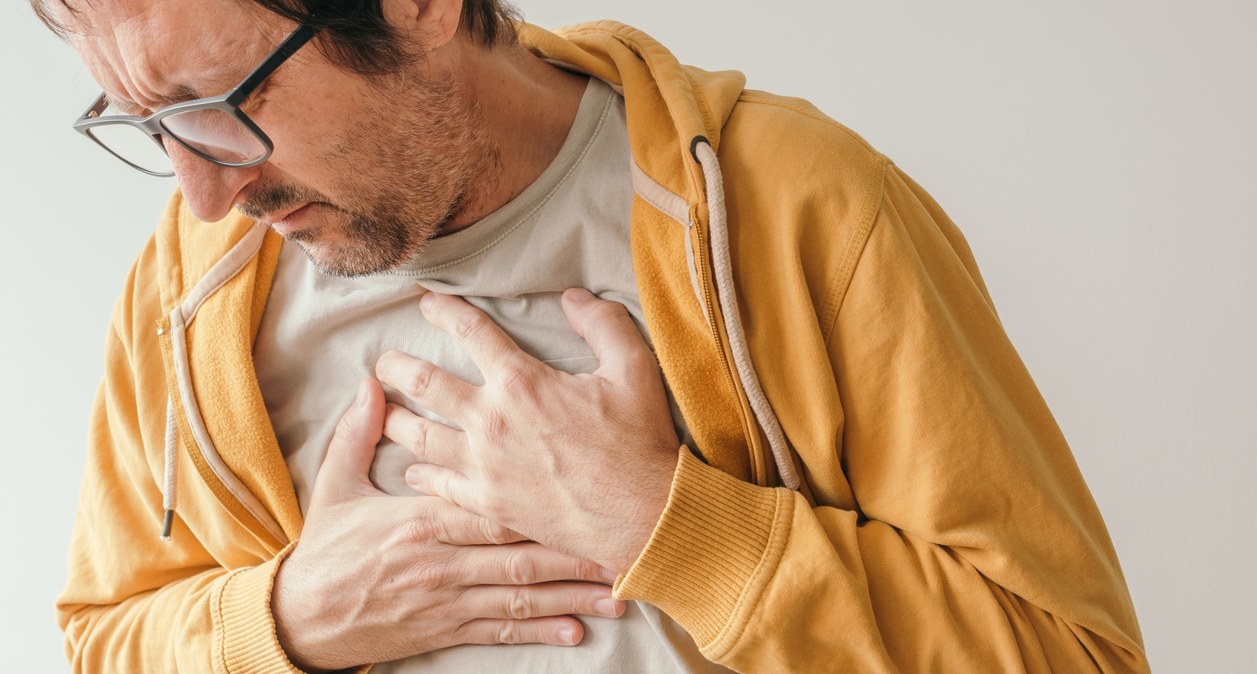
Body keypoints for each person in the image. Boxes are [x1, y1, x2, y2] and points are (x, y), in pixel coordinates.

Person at [39, 0, 1150, 671]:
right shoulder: (191, 290)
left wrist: (671, 524)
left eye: (220, 99)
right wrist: (284, 618)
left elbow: (1066, 655)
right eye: (150, 123)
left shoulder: (796, 206)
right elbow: (107, 638)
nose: (202, 192)